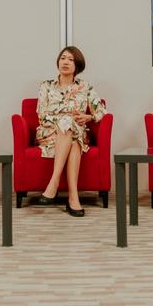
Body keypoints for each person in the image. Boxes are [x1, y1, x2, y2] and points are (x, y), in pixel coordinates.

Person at [34, 46, 107, 217]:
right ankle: (72, 198)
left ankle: (56, 186)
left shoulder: (85, 87)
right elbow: (41, 115)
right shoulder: (46, 86)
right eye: (63, 58)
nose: (65, 62)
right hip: (49, 133)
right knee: (68, 126)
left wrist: (89, 117)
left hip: (75, 133)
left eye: (70, 59)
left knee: (73, 136)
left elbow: (102, 111)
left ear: (77, 65)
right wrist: (61, 121)